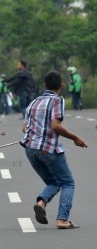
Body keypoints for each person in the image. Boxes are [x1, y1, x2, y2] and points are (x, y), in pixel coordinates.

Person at [21, 71, 87, 230]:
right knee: (68, 183)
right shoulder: (57, 100)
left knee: (53, 182)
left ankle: (41, 203)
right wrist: (75, 138)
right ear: (62, 86)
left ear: (44, 85)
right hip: (47, 149)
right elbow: (56, 125)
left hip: (30, 149)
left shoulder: (34, 101)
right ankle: (62, 219)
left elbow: (25, 128)